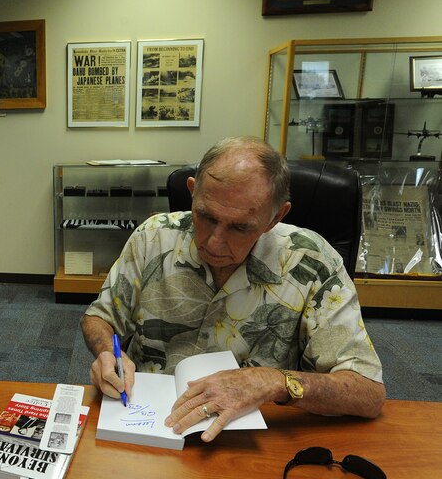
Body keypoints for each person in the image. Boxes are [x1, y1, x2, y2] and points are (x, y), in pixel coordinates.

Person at [81, 136, 385, 442]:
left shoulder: (312, 262)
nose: (214, 242)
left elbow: (368, 392)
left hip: (250, 439)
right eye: (206, 217)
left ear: (275, 217)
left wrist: (274, 381)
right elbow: (101, 317)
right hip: (145, 424)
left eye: (241, 227)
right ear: (192, 193)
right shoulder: (153, 237)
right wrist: (107, 353)